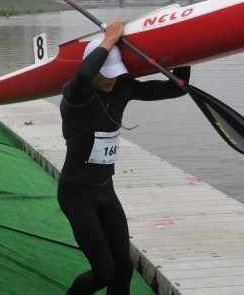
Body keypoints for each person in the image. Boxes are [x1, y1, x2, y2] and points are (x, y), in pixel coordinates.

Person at [58, 20, 190, 295]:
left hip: (106, 190)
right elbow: (83, 76)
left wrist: (185, 51)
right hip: (77, 194)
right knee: (104, 272)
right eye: (105, 73)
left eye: (115, 73)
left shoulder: (121, 89)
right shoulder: (75, 96)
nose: (110, 78)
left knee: (124, 268)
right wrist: (109, 38)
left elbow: (176, 88)